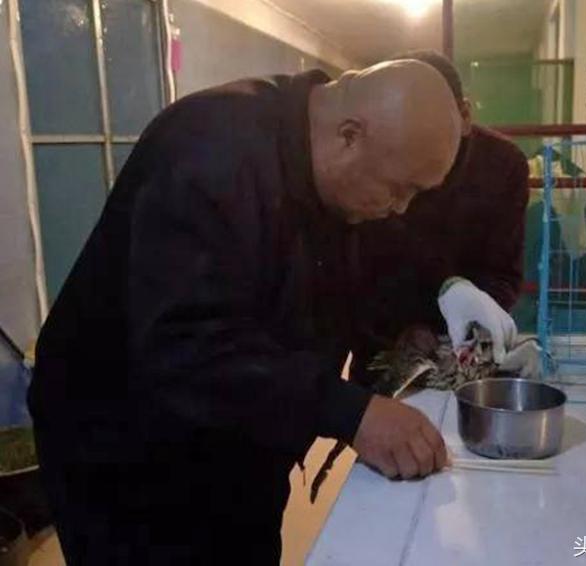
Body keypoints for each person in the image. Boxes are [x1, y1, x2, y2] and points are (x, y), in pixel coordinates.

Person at [28, 60, 462, 565]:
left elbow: (365, 265)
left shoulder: (329, 166)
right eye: (400, 189)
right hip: (126, 445)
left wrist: (447, 288)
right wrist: (348, 411)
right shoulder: (208, 152)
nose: (401, 208)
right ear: (349, 136)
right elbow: (184, 347)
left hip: (235, 428)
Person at [351, 50, 530, 384]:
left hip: (466, 345)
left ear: (464, 115)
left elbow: (503, 273)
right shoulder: (377, 157)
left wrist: (468, 325)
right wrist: (398, 332)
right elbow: (358, 266)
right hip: (383, 341)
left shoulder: (503, 166)